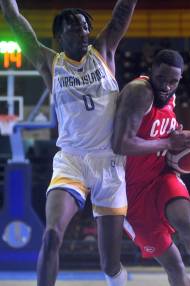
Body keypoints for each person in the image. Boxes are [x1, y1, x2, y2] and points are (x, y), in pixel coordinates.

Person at [0, 1, 137, 286]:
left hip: (109, 163)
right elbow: (14, 19)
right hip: (71, 161)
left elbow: (122, 11)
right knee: (51, 235)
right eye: (74, 25)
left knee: (110, 265)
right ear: (59, 36)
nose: (83, 29)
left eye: (86, 25)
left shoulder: (103, 52)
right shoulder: (50, 62)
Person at [112, 49, 190, 286]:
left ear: (180, 79)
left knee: (187, 224)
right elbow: (120, 143)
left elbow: (159, 130)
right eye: (161, 78)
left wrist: (173, 134)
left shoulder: (170, 97)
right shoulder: (139, 92)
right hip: (131, 193)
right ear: (151, 71)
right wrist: (168, 141)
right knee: (174, 265)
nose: (166, 86)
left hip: (161, 175)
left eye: (173, 81)